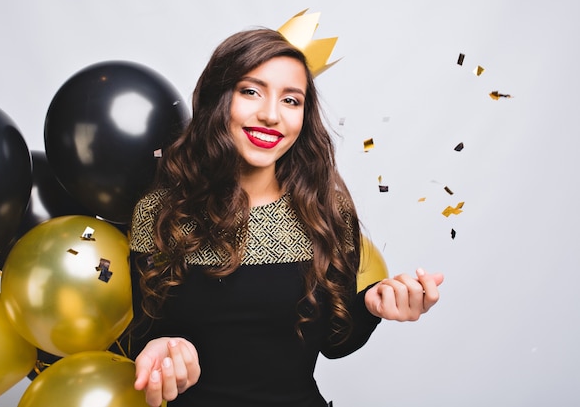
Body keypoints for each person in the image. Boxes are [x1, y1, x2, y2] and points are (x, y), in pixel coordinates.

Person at [124, 27, 443, 407]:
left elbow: (335, 345)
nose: (271, 115)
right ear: (216, 99)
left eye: (291, 100)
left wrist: (372, 307)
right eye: (251, 91)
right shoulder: (158, 212)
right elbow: (134, 337)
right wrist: (156, 347)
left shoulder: (327, 213)